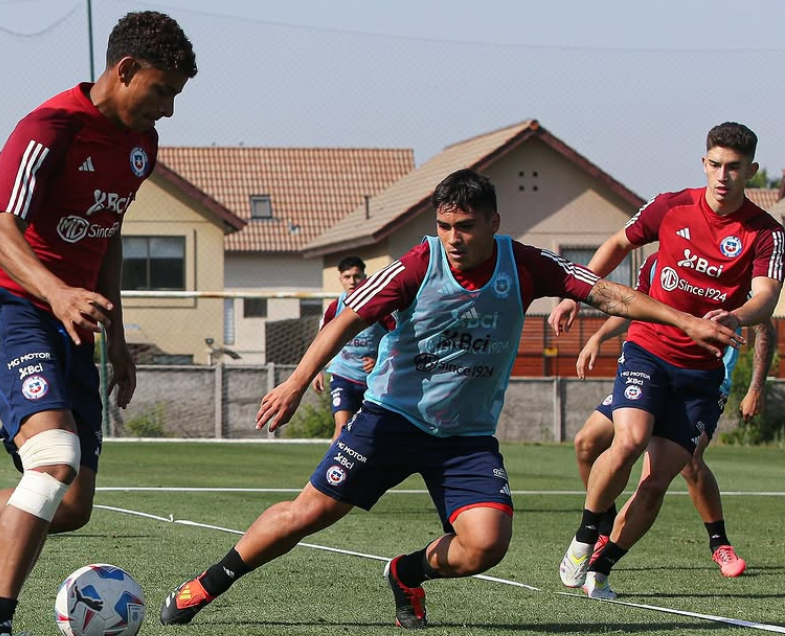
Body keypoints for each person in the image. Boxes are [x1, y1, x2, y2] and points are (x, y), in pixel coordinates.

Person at [158, 169, 739, 629]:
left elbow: (611, 295)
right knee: (306, 516)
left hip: (465, 437)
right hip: (390, 419)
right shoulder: (417, 264)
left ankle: (406, 572)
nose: (453, 238)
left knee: (487, 545)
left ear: (493, 222)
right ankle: (207, 584)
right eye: (444, 226)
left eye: (465, 226)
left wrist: (686, 321)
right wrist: (293, 381)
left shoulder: (525, 265)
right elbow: (345, 319)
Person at [0, 12, 196, 636]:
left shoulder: (141, 145)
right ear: (125, 70)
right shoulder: (48, 128)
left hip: (73, 324)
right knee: (53, 458)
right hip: (10, 306)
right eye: (162, 91)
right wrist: (58, 292)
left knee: (69, 506)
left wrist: (117, 338)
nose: (169, 109)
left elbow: (108, 235)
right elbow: (1, 232)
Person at [553, 122, 783, 599]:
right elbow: (617, 244)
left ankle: (602, 567)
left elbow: (766, 299)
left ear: (751, 171)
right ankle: (585, 534)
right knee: (629, 439)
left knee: (659, 479)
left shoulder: (767, 234)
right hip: (649, 349)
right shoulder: (670, 206)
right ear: (704, 164)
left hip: (703, 372)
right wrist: (576, 291)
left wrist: (736, 315)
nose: (723, 176)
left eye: (734, 167)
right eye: (715, 165)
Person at [573, 252, 775, 581]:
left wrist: (755, 387)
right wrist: (598, 336)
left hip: (704, 380)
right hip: (652, 369)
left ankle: (718, 543)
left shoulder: (734, 271)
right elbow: (632, 305)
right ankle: (601, 526)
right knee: (587, 441)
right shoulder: (656, 262)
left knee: (683, 464)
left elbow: (765, 328)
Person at [311, 256, 394, 441]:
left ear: (364, 276)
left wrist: (380, 361)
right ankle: (333, 461)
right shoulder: (336, 307)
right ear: (340, 278)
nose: (352, 281)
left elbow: (397, 338)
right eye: (347, 277)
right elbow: (322, 339)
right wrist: (316, 370)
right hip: (343, 375)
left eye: (356, 276)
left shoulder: (379, 306)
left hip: (373, 379)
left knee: (372, 432)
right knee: (342, 426)